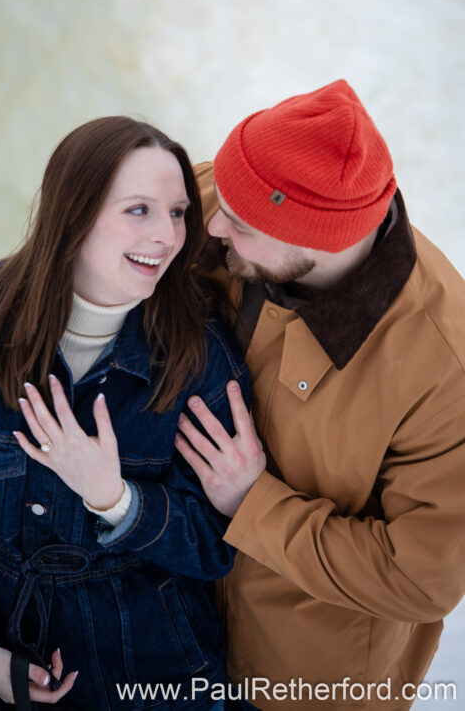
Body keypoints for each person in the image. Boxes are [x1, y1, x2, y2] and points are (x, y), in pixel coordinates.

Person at [0, 117, 252, 710]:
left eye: (179, 212)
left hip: (148, 675)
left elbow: (215, 547)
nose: (167, 236)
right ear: (74, 212)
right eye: (139, 210)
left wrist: (116, 499)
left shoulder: (201, 359)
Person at [175, 79, 465, 710]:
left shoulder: (445, 366)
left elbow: (424, 578)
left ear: (315, 241)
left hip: (300, 685)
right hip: (170, 636)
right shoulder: (234, 201)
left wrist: (253, 504)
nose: (211, 222)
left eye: (240, 224)